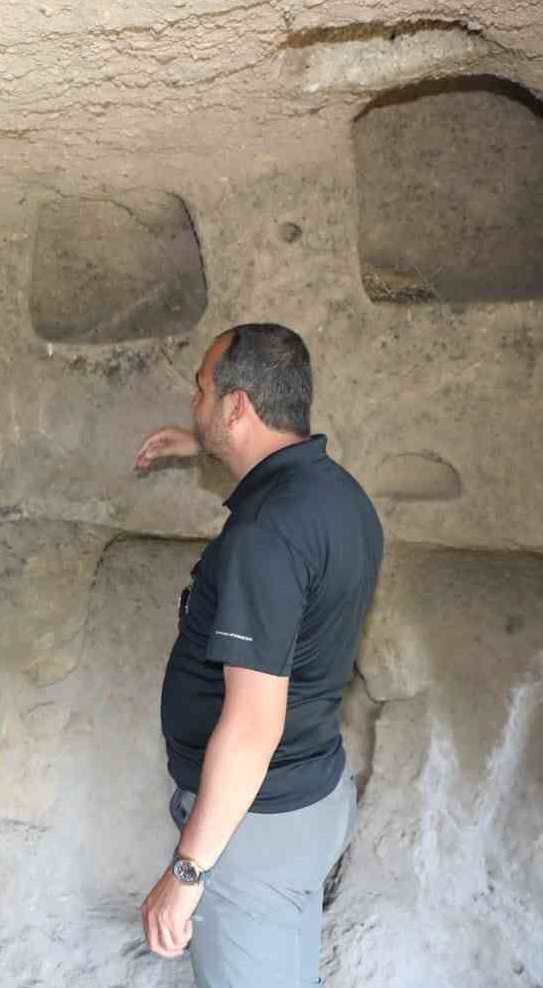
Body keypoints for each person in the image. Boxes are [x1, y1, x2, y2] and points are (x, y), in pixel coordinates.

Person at [133, 323, 383, 987]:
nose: (193, 399)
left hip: (255, 831)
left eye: (202, 389)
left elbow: (252, 724)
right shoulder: (338, 496)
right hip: (306, 797)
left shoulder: (266, 533)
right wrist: (205, 443)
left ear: (239, 406)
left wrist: (188, 872)